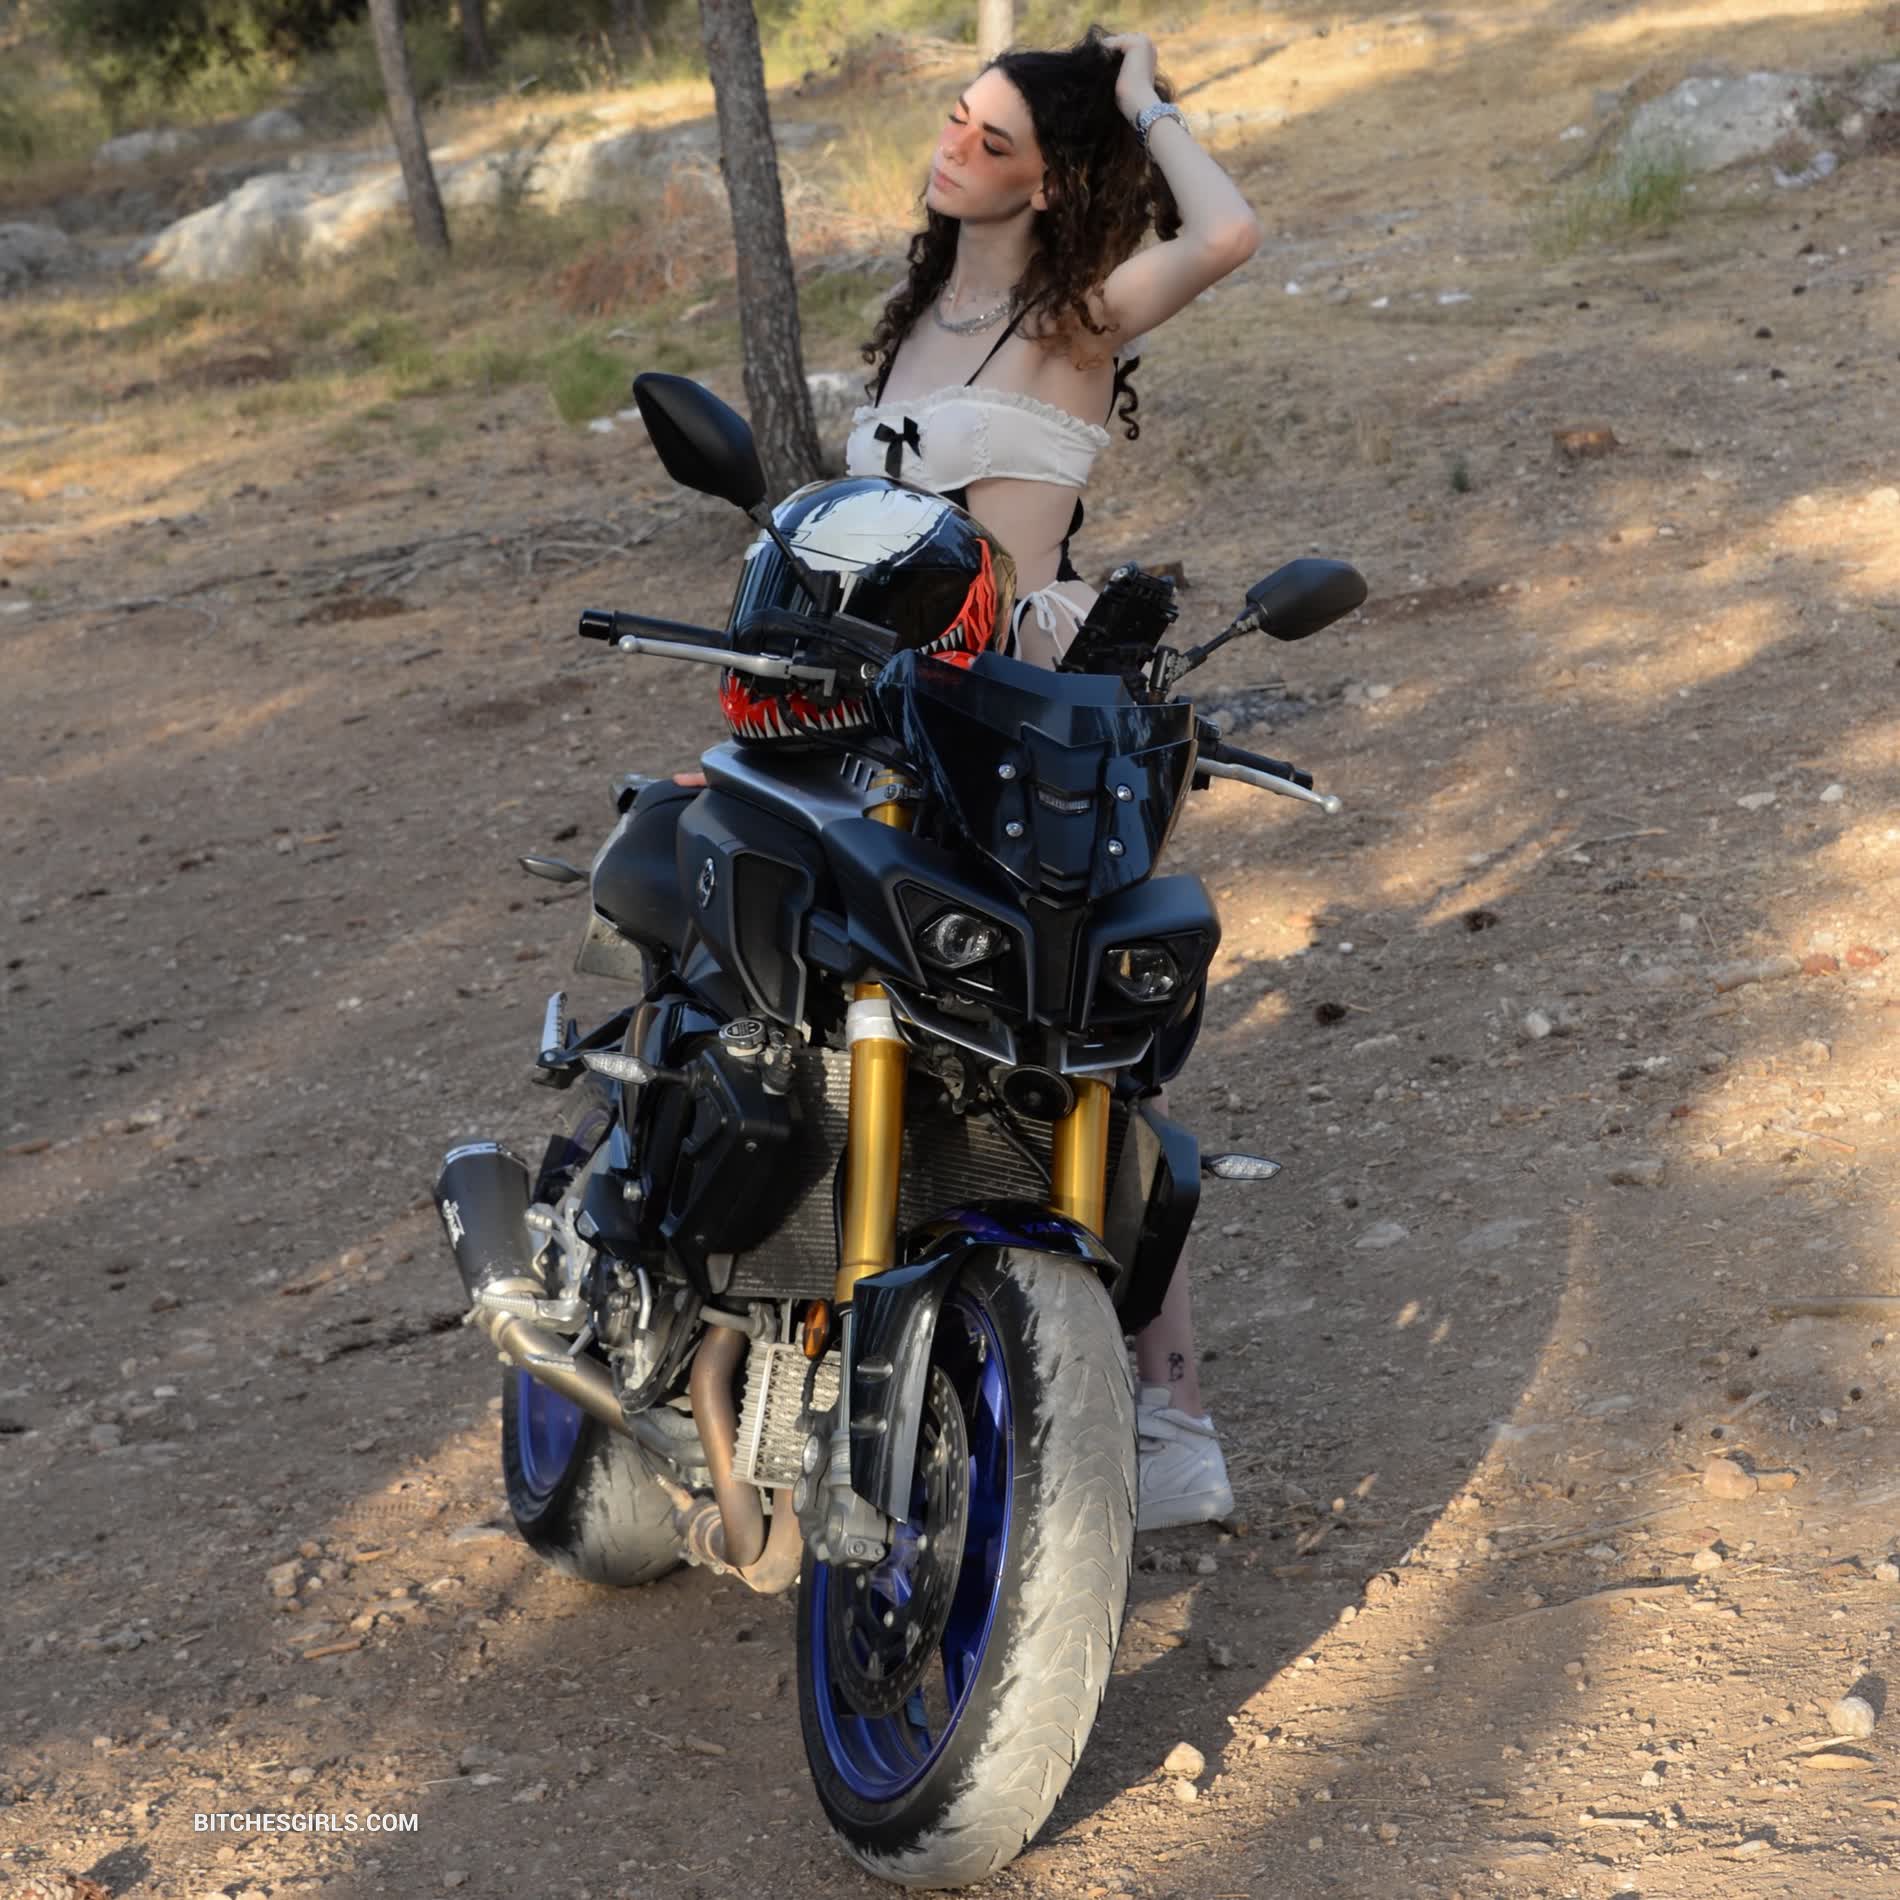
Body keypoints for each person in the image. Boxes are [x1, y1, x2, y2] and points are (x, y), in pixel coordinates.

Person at [839, 25, 1261, 1530]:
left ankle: (1170, 1412)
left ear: (1053, 178)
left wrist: (1147, 107)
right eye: (958, 119)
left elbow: (1227, 233)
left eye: (994, 139)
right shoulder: (916, 318)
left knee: (1085, 1042)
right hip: (877, 706)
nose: (953, 148)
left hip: (1019, 711)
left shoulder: (1078, 317)